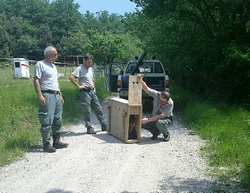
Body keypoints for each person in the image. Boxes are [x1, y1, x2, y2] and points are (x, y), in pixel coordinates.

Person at [33, 46, 68, 153]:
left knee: (58, 119)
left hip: (56, 95)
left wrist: (60, 94)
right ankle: (46, 144)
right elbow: (36, 80)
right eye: (55, 54)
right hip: (47, 95)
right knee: (47, 120)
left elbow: (55, 82)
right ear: (49, 54)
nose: (57, 56)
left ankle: (56, 142)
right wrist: (40, 95)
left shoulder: (53, 66)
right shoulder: (40, 64)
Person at [69, 53, 107, 134]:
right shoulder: (79, 69)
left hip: (92, 91)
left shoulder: (90, 69)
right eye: (89, 62)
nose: (91, 64)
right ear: (85, 61)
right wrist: (79, 86)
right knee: (87, 110)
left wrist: (94, 86)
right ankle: (89, 127)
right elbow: (71, 77)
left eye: (91, 62)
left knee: (98, 108)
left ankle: (104, 125)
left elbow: (92, 79)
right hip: (85, 92)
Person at [139, 77, 174, 141]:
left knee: (159, 123)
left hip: (166, 119)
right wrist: (140, 80)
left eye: (163, 102)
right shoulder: (156, 94)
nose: (161, 102)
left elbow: (159, 116)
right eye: (160, 100)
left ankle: (166, 134)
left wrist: (147, 120)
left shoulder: (170, 103)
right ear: (160, 95)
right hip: (155, 116)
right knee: (141, 122)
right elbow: (146, 89)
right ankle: (155, 132)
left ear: (167, 100)